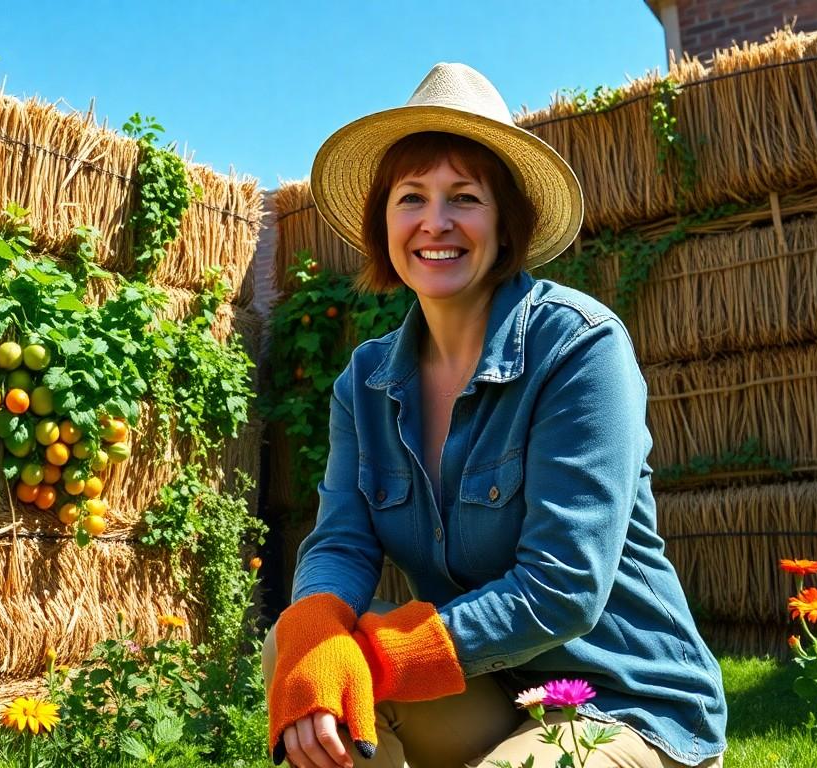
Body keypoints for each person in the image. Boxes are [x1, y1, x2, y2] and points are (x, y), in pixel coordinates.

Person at [263, 63, 727, 768]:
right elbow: (341, 543)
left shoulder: (577, 347)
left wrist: (380, 658)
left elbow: (563, 588)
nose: (435, 222)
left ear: (506, 222)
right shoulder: (365, 381)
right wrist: (315, 635)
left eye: (465, 198)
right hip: (490, 690)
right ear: (383, 221)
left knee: (358, 673)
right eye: (411, 197)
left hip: (624, 703)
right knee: (304, 653)